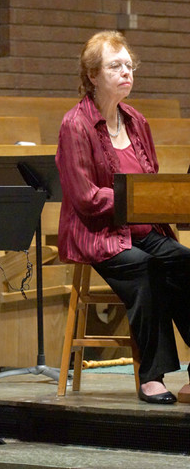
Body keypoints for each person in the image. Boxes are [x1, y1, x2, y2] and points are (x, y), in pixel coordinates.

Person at [55, 30, 190, 405]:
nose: (126, 72)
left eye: (129, 65)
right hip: (99, 233)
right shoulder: (75, 125)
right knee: (146, 269)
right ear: (93, 75)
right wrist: (133, 198)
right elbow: (84, 198)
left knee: (183, 262)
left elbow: (152, 179)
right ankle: (152, 377)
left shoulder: (136, 121)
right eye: (115, 66)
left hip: (144, 228)